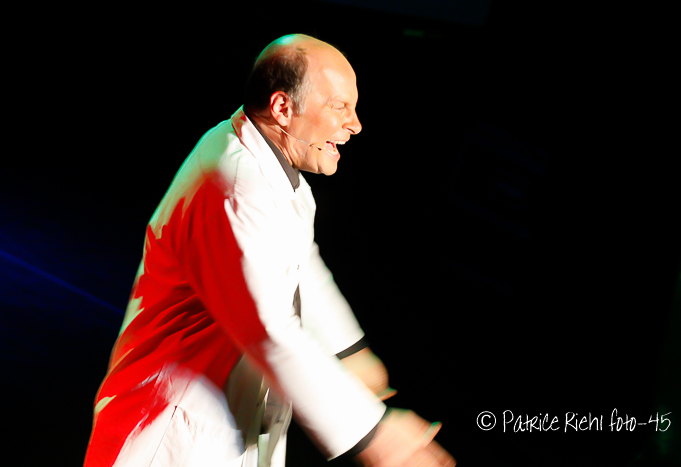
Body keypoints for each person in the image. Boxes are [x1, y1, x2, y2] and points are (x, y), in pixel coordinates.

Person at [84, 34, 455, 467]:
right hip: (170, 438)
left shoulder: (268, 166)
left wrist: (348, 352)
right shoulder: (237, 186)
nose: (355, 124)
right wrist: (374, 437)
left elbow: (300, 265)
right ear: (282, 108)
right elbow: (270, 331)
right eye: (339, 106)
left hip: (219, 431)